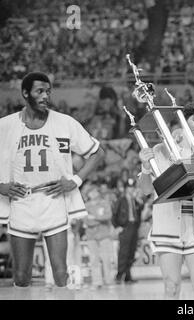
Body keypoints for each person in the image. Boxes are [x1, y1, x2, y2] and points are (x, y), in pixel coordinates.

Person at [0, 72, 104, 295]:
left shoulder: (65, 122)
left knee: (60, 272)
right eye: (40, 91)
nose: (45, 96)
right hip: (21, 201)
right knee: (21, 275)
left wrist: (75, 180)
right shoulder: (5, 126)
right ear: (25, 93)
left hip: (54, 199)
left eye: (48, 91)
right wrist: (0, 186)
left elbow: (97, 153)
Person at [138, 102, 194, 300]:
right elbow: (146, 189)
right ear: (181, 122)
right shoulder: (160, 150)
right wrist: (145, 166)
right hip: (168, 226)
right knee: (171, 287)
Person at [84, 183, 115, 290]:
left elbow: (108, 216)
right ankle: (97, 282)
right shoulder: (86, 205)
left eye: (94, 191)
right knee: (94, 259)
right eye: (90, 192)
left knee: (106, 258)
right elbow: (86, 220)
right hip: (91, 236)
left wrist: (95, 218)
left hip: (104, 235)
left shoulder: (104, 203)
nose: (92, 194)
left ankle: (108, 280)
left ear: (98, 192)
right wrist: (99, 219)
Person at [113, 181, 142, 284]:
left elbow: (139, 213)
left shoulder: (135, 200)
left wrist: (138, 202)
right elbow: (114, 213)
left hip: (134, 226)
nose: (131, 189)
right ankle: (119, 275)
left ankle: (128, 276)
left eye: (132, 187)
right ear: (125, 189)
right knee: (123, 252)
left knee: (131, 251)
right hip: (125, 227)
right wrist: (117, 226)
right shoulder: (121, 200)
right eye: (129, 187)